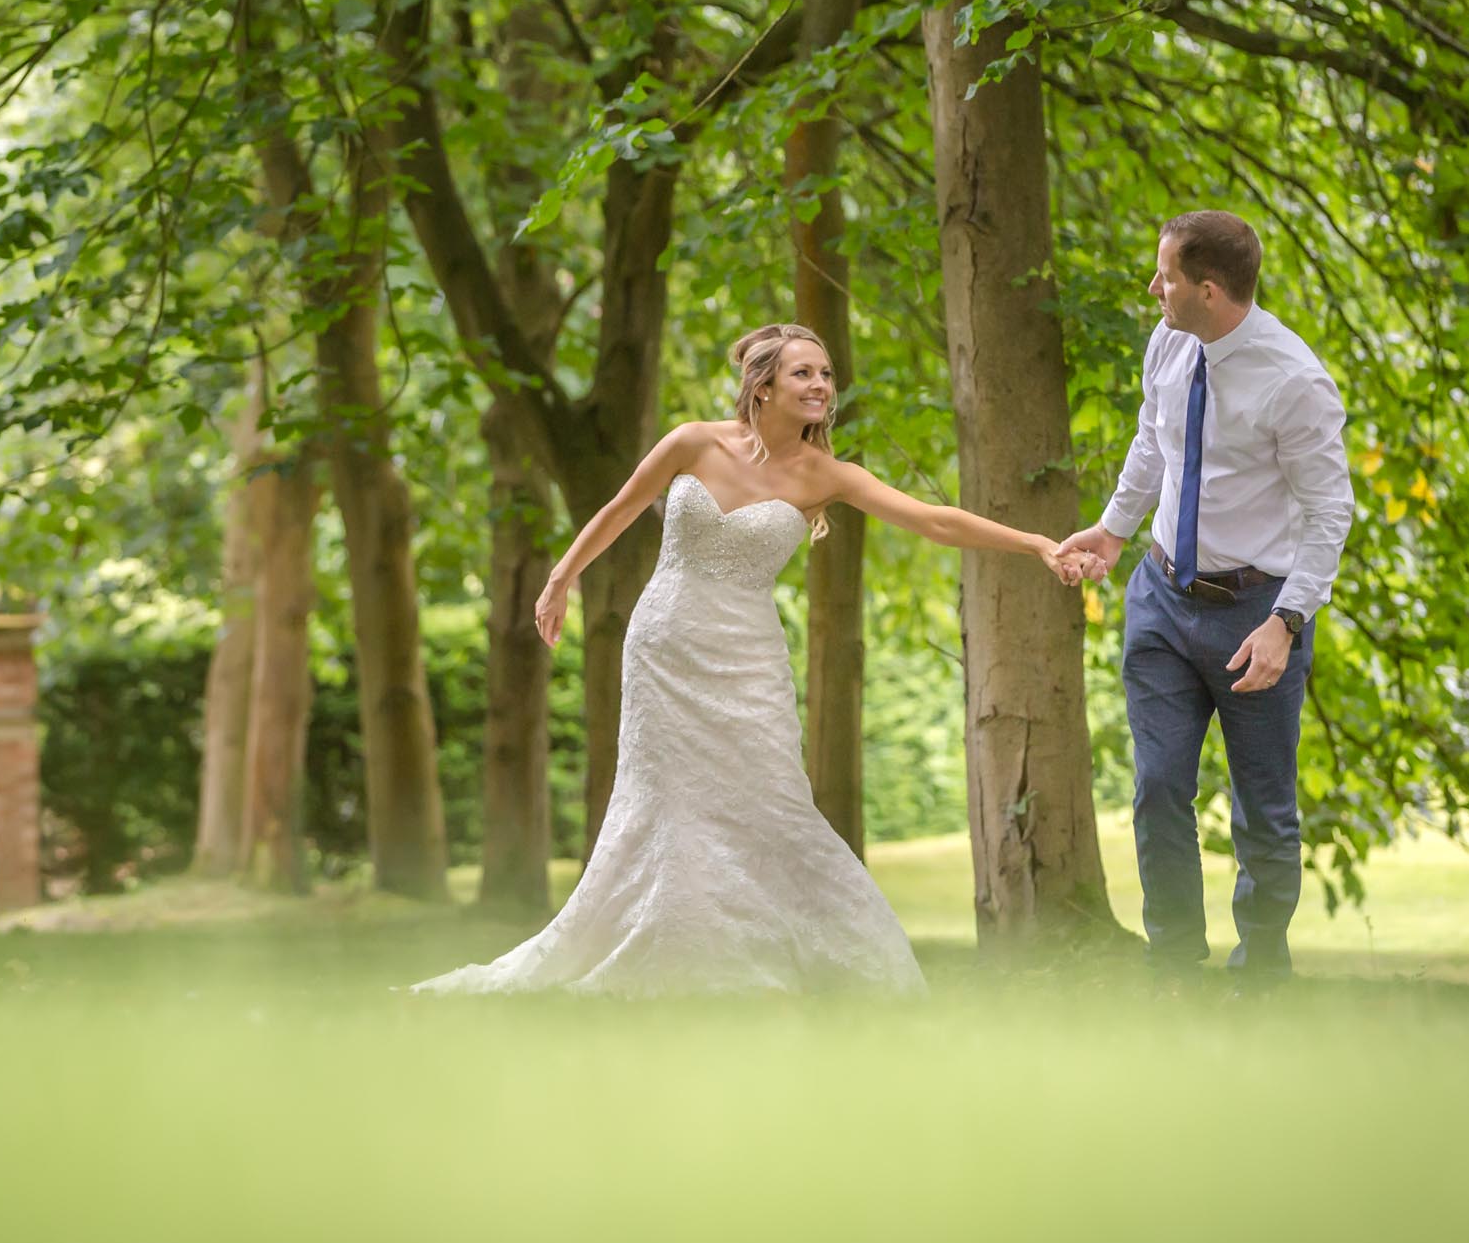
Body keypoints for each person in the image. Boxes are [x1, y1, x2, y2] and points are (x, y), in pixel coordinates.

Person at [409, 323, 1075, 997]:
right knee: (664, 805)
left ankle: (831, 960)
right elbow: (620, 508)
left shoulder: (826, 476)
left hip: (749, 658)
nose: (820, 385)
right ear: (764, 385)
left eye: (825, 375)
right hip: (665, 645)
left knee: (776, 804)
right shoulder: (693, 441)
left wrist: (1036, 543)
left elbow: (933, 520)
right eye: (804, 373)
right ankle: (673, 956)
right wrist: (560, 578)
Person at [1055, 211, 1354, 991]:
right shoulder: (1170, 340)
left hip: (1254, 613)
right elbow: (1154, 441)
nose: (1154, 287)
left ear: (1209, 290)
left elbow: (1330, 513)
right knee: (1157, 785)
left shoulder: (1295, 382)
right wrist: (1116, 531)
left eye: (1166, 278)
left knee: (1263, 805)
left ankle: (1261, 968)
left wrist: (1286, 624)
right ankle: (1174, 960)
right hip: (1160, 594)